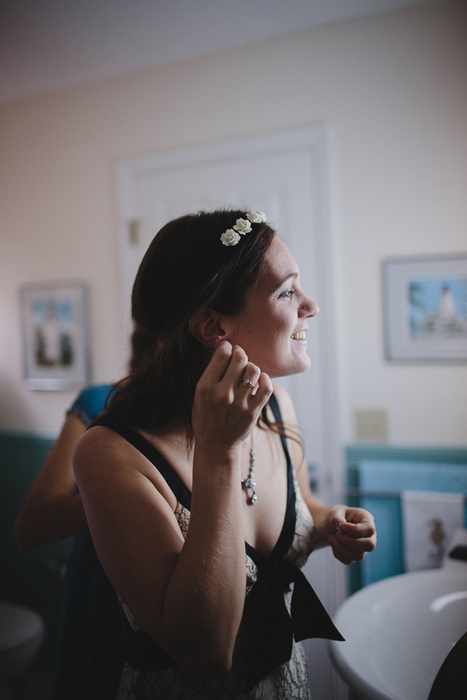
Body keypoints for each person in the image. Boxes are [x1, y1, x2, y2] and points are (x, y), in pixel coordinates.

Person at [73, 209, 377, 699]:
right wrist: (218, 454)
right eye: (287, 291)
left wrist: (332, 524)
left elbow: (301, 507)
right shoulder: (111, 454)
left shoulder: (276, 406)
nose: (311, 306)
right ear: (213, 326)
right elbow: (206, 650)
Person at [13, 330, 147, 700]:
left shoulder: (222, 413)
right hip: (100, 600)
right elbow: (31, 526)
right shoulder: (101, 404)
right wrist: (115, 487)